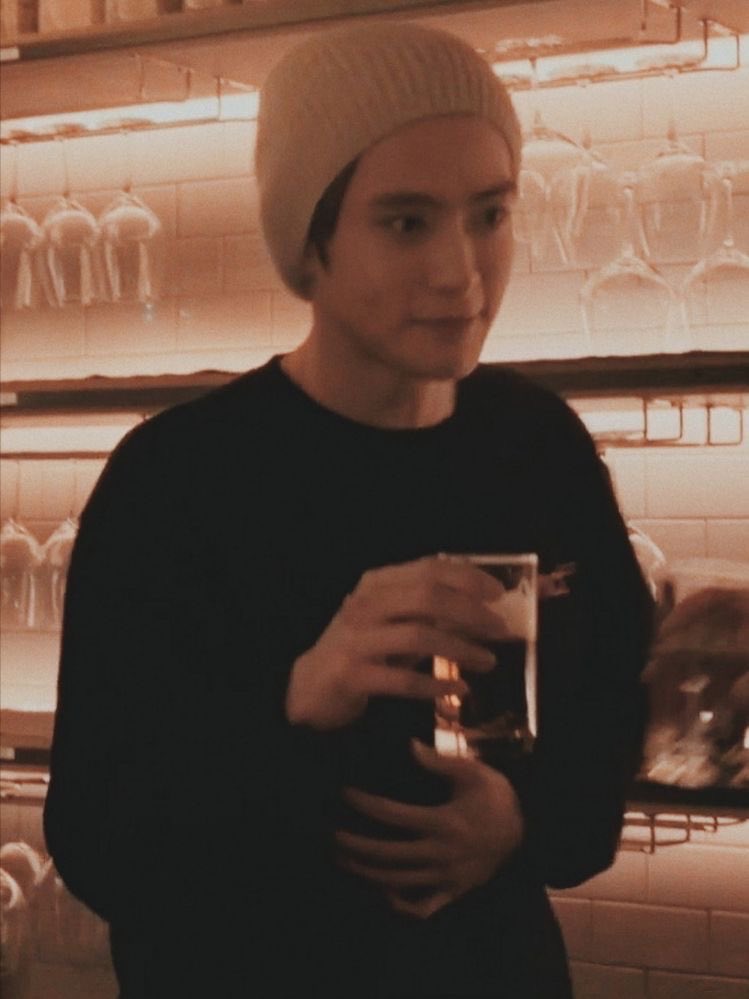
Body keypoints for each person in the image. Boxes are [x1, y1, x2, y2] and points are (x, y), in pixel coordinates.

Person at [44, 21, 653, 999]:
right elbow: (100, 845)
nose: (460, 271)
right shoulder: (179, 477)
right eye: (406, 223)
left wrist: (518, 821)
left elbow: (610, 735)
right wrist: (297, 699)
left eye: (489, 214)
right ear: (308, 239)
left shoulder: (539, 447)